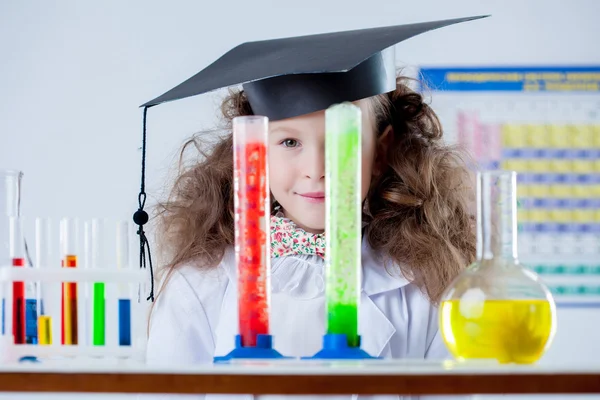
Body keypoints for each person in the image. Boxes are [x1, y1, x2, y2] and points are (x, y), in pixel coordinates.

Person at [142, 16, 484, 400]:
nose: (317, 171)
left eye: (344, 141)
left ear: (381, 151)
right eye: (289, 143)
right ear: (252, 152)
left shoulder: (427, 285)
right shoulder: (202, 283)